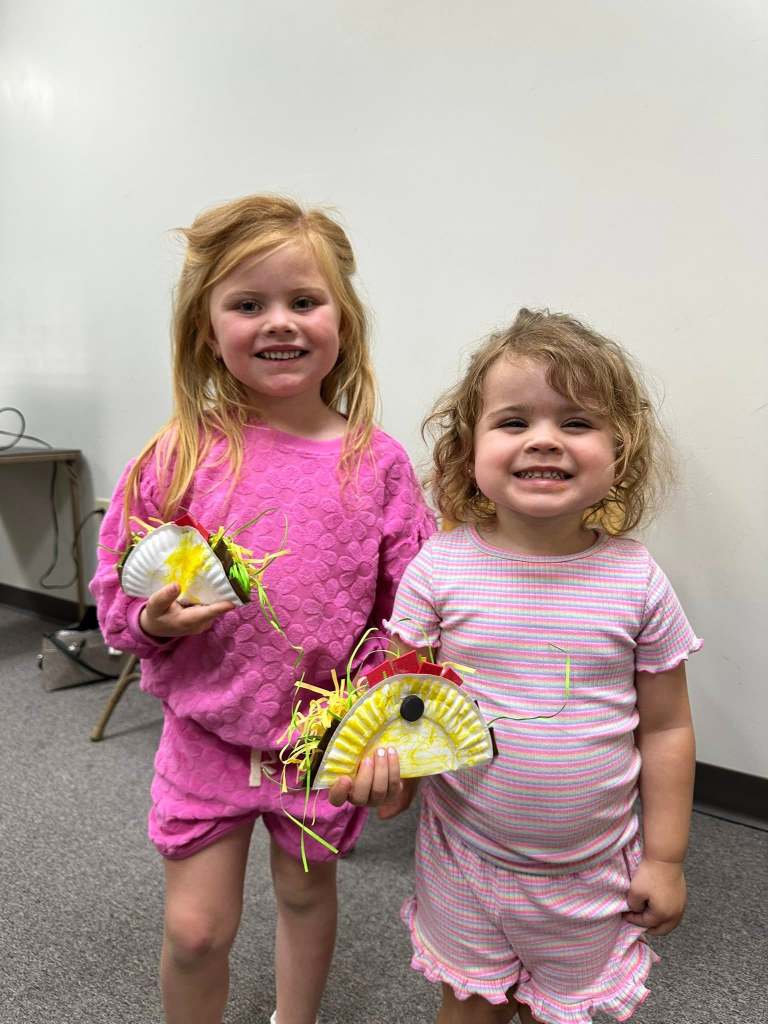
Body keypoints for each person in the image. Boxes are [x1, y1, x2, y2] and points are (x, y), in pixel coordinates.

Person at [90, 194, 434, 1024]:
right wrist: (151, 621)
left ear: (342, 322)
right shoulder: (175, 456)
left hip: (321, 739)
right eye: (248, 304)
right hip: (205, 733)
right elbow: (114, 596)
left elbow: (412, 620)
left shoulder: (378, 465)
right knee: (196, 931)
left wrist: (398, 736)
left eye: (303, 300)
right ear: (208, 331)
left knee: (307, 899)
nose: (279, 322)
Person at [332, 308, 701, 1024]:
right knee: (468, 1011)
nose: (544, 439)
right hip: (463, 862)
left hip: (593, 875)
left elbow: (665, 729)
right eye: (513, 421)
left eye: (576, 422)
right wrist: (391, 777)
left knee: (559, 1014)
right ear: (467, 447)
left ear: (619, 452)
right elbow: (405, 706)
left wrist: (666, 858)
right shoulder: (438, 570)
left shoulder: (637, 580)